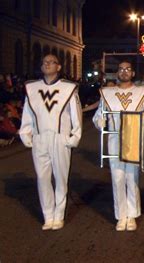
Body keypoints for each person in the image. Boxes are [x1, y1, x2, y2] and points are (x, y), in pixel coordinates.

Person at [19, 54, 82, 230]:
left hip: (60, 137)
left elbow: (76, 114)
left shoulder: (68, 88)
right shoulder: (32, 88)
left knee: (61, 178)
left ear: (59, 67)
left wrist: (74, 136)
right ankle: (48, 215)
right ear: (41, 67)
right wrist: (26, 133)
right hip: (40, 138)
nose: (48, 64)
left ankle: (58, 215)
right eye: (44, 62)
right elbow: (28, 113)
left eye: (52, 62)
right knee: (42, 178)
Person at [93, 60, 144, 231]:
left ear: (133, 73)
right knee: (117, 178)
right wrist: (99, 121)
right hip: (115, 140)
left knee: (132, 178)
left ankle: (132, 215)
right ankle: (121, 216)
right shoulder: (107, 93)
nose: (124, 72)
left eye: (128, 69)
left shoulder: (141, 92)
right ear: (117, 73)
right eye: (121, 69)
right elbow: (99, 115)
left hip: (134, 140)